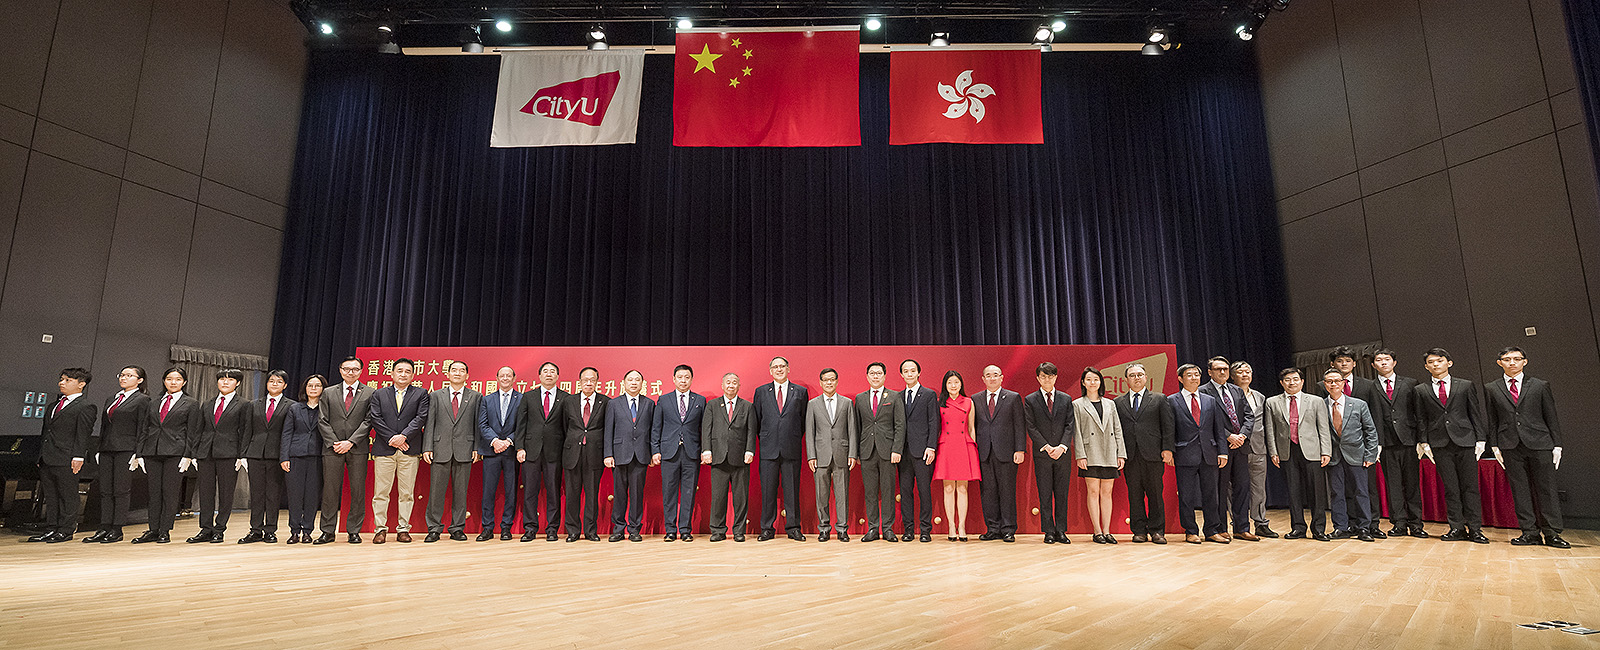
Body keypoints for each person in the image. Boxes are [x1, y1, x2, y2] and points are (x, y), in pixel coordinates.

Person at [1485, 347, 1569, 548]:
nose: (1512, 362)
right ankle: (1529, 532)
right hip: (1509, 444)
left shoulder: (1540, 386)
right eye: (1506, 359)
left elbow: (1551, 417)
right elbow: (1492, 419)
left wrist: (1556, 444)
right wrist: (1495, 445)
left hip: (1540, 443)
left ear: (1525, 361)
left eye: (1516, 359)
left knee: (1546, 488)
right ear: (1499, 363)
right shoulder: (1492, 388)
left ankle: (1552, 532)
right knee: (1520, 490)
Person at [1412, 348, 1489, 544]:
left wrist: (1480, 439)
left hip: (1465, 441)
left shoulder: (1465, 385)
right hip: (1439, 443)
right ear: (1426, 366)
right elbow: (1421, 419)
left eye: (1439, 360)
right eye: (1431, 362)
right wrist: (1423, 441)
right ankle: (1456, 527)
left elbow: (1474, 413)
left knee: (1470, 487)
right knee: (1451, 488)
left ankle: (1475, 528)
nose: (1436, 364)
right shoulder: (1421, 390)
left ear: (1449, 363)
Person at [1354, 348, 1424, 538]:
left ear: (1394, 362)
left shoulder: (1410, 383)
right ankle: (1399, 523)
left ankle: (1416, 523)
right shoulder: (1370, 387)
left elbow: (1419, 413)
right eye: (1379, 360)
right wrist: (1375, 444)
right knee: (1393, 485)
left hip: (1409, 440)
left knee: (1412, 484)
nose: (1383, 362)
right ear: (1373, 365)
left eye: (1387, 359)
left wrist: (1421, 440)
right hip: (1385, 442)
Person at [131, 368, 201, 544]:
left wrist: (188, 455)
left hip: (176, 452)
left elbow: (193, 432)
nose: (173, 382)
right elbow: (144, 429)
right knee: (153, 493)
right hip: (152, 451)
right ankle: (153, 529)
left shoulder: (191, 403)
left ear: (184, 382)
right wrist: (139, 453)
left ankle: (165, 530)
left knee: (169, 493)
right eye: (169, 379)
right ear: (164, 381)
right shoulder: (154, 402)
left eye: (178, 379)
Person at [28, 368, 96, 543]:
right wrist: (40, 456)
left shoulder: (86, 406)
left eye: (67, 380)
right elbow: (46, 432)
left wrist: (79, 456)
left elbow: (83, 434)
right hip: (48, 456)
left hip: (67, 457)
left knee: (67, 495)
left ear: (81, 384)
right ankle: (51, 528)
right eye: (61, 379)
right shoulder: (53, 405)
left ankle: (65, 530)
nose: (61, 383)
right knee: (50, 495)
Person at [1264, 368, 1333, 541]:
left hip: (1312, 451)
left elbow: (1323, 428)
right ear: (1282, 383)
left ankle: (1318, 529)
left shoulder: (1316, 401)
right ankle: (1298, 528)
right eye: (1287, 379)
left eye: (1295, 379)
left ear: (1302, 382)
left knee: (1316, 492)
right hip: (1287, 451)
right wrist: (1273, 452)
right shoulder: (1272, 402)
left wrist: (1326, 451)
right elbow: (1270, 430)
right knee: (1293, 492)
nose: (1292, 382)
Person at [84, 366, 150, 544]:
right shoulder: (112, 398)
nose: (124, 378)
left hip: (126, 449)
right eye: (122, 375)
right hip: (107, 448)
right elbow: (104, 426)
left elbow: (143, 427)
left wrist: (138, 453)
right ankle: (104, 526)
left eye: (129, 375)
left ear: (140, 380)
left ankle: (117, 528)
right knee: (105, 490)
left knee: (121, 490)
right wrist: (98, 448)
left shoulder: (143, 400)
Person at [366, 358, 429, 544]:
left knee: (406, 492)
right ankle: (380, 529)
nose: (403, 374)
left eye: (407, 371)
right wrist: (393, 438)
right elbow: (375, 418)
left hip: (409, 449)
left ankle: (403, 529)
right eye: (399, 370)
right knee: (381, 492)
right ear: (391, 374)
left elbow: (421, 417)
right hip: (384, 449)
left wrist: (404, 437)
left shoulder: (421, 394)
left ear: (413, 375)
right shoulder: (379, 394)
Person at [188, 368, 252, 544]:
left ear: (237, 383)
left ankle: (219, 529)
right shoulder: (208, 403)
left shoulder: (244, 404)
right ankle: (205, 529)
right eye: (222, 379)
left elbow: (245, 431)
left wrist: (242, 455)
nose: (225, 382)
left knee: (225, 494)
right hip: (206, 452)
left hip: (229, 453)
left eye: (230, 379)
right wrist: (195, 453)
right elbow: (199, 430)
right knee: (205, 493)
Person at [1170, 364, 1229, 544]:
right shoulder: (1172, 400)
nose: (1194, 378)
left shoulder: (1210, 400)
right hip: (1184, 454)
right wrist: (1170, 451)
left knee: (1212, 494)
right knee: (1186, 496)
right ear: (1180, 379)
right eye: (1189, 375)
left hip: (1209, 453)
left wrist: (1223, 452)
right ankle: (1190, 530)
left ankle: (1212, 530)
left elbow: (1218, 429)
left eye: (1197, 375)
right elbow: (1169, 430)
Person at [1114, 363, 1173, 544]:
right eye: (1132, 375)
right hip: (1130, 456)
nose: (1137, 378)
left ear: (1146, 377)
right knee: (1134, 494)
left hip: (1154, 454)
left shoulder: (1159, 399)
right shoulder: (1118, 402)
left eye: (1140, 374)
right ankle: (1139, 530)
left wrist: (1167, 449)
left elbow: (1168, 426)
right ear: (1126, 380)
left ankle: (1157, 531)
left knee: (1155, 493)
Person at [751, 356, 809, 542]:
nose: (779, 369)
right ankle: (767, 528)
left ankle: (793, 528)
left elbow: (803, 421)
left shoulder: (800, 392)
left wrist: (790, 437)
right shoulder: (761, 392)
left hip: (791, 448)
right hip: (768, 450)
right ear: (770, 371)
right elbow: (757, 421)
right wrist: (768, 439)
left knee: (792, 490)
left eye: (782, 366)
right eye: (775, 367)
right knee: (768, 491)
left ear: (788, 368)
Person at [423, 360, 482, 542]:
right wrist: (427, 447)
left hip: (465, 448)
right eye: (454, 370)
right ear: (447, 375)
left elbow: (477, 425)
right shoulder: (436, 395)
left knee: (460, 492)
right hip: (440, 449)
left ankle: (457, 528)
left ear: (467, 375)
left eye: (462, 370)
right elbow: (429, 423)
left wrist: (476, 448)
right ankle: (434, 528)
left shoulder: (475, 396)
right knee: (436, 492)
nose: (457, 373)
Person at [318, 356, 373, 545]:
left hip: (357, 448)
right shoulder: (328, 392)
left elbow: (369, 421)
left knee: (357, 491)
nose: (351, 372)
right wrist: (335, 442)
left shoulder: (370, 393)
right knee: (330, 491)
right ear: (340, 370)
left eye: (355, 369)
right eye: (347, 369)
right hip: (332, 449)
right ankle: (327, 531)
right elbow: (322, 420)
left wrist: (350, 441)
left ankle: (354, 531)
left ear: (361, 371)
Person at [1201, 356, 1256, 541]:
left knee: (1242, 487)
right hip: (1219, 448)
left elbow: (1249, 415)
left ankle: (1242, 527)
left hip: (1240, 446)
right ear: (1209, 372)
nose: (1223, 372)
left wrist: (1242, 435)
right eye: (1218, 369)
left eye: (1225, 368)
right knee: (1219, 489)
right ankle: (1219, 528)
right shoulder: (1203, 392)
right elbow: (1205, 422)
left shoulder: (1236, 390)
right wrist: (1228, 436)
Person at [1322, 369, 1378, 542]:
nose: (1333, 384)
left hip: (1357, 455)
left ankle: (1364, 528)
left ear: (1343, 383)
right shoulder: (1320, 405)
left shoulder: (1359, 404)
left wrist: (1370, 454)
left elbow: (1370, 430)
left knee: (1361, 492)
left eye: (1337, 381)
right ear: (1325, 384)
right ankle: (1340, 527)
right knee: (1336, 494)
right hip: (1333, 457)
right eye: (1329, 381)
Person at [515, 362, 567, 542]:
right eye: (545, 371)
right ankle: (530, 528)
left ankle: (552, 528)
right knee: (530, 491)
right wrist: (520, 447)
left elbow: (567, 428)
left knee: (553, 491)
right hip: (531, 451)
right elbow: (521, 424)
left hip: (555, 452)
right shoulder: (528, 396)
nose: (549, 374)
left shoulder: (565, 398)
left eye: (553, 371)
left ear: (558, 376)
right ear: (539, 376)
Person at [974, 364, 1026, 542]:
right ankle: (992, 528)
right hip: (984, 453)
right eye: (988, 375)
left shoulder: (1012, 398)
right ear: (983, 379)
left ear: (1001, 377)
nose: (992, 378)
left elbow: (1020, 425)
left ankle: (1008, 529)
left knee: (1007, 491)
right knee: (988, 492)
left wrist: (1020, 449)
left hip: (1007, 453)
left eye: (995, 375)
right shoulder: (976, 399)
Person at [702, 373, 756, 542]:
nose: (731, 385)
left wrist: (750, 450)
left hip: (740, 458)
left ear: (739, 386)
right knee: (718, 497)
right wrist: (706, 450)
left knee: (741, 497)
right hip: (718, 457)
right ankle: (717, 530)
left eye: (734, 383)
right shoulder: (712, 405)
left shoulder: (747, 406)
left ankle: (739, 531)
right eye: (728, 382)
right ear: (722, 385)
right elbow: (706, 429)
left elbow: (751, 431)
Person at [1074, 367, 1126, 544]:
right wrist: (1080, 455)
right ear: (1083, 382)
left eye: (1095, 379)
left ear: (1101, 382)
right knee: (1093, 491)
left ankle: (1107, 530)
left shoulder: (1110, 404)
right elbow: (1077, 432)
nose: (1092, 382)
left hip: (1109, 451)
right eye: (1088, 379)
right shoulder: (1077, 404)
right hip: (1090, 453)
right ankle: (1097, 531)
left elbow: (1117, 429)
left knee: (1107, 492)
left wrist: (1121, 454)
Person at [240, 370, 293, 544]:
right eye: (271, 381)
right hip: (255, 453)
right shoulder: (254, 405)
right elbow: (247, 430)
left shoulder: (291, 405)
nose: (274, 384)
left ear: (285, 385)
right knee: (256, 494)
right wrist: (243, 454)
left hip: (276, 455)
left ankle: (270, 529)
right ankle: (255, 530)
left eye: (278, 382)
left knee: (273, 494)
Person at [1023, 362, 1074, 544]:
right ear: (1038, 378)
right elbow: (1031, 427)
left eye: (1050, 376)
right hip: (1043, 454)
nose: (1047, 379)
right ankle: (1048, 531)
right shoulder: (1030, 399)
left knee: (1061, 493)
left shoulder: (1066, 399)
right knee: (1045, 494)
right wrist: (1046, 446)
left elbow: (1069, 425)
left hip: (1063, 453)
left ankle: (1061, 530)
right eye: (1043, 376)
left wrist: (1061, 446)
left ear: (1056, 377)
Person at [854, 362, 905, 542]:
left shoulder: (894, 396)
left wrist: (897, 449)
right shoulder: (860, 398)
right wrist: (857, 453)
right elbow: (856, 427)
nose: (875, 376)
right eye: (872, 373)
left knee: (888, 490)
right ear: (867, 376)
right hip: (867, 451)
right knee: (870, 492)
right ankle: (873, 528)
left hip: (888, 451)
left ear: (884, 376)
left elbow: (900, 425)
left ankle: (888, 528)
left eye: (879, 373)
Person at [652, 364, 704, 542]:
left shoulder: (700, 400)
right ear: (674, 379)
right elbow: (656, 428)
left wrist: (704, 451)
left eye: (687, 377)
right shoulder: (664, 400)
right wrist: (655, 450)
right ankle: (670, 530)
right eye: (680, 377)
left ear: (691, 379)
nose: (683, 380)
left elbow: (703, 429)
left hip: (691, 453)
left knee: (689, 493)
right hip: (669, 453)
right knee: (669, 493)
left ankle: (685, 530)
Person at [805, 368, 857, 542]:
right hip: (820, 456)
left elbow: (852, 430)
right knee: (822, 494)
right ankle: (824, 528)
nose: (829, 383)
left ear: (837, 381)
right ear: (820, 382)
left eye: (832, 379)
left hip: (842, 453)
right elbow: (810, 431)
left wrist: (852, 453)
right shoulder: (812, 404)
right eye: (825, 380)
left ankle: (842, 529)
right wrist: (811, 456)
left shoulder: (846, 403)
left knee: (842, 493)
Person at [605, 370, 655, 542]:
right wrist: (608, 454)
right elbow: (608, 431)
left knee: (636, 494)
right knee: (619, 494)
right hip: (619, 455)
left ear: (642, 383)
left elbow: (653, 431)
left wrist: (652, 453)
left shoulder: (649, 404)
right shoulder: (614, 403)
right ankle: (618, 529)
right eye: (630, 380)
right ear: (623, 383)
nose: (634, 383)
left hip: (641, 455)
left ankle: (634, 529)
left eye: (637, 380)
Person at [280, 374, 331, 544]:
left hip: (317, 456)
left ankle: (308, 530)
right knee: (294, 495)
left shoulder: (326, 408)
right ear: (305, 388)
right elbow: (287, 434)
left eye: (317, 385)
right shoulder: (295, 408)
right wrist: (284, 457)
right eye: (310, 385)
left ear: (323, 389)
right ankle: (294, 531)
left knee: (312, 495)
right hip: (295, 455)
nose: (314, 389)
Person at [1228, 361, 1274, 538]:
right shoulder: (1228, 394)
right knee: (1234, 488)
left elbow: (1264, 424)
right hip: (1236, 446)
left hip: (1258, 448)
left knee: (1259, 488)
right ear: (1233, 376)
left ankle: (1260, 522)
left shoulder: (1260, 397)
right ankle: (1237, 522)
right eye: (1241, 372)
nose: (1245, 375)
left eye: (1248, 371)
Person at [562, 367, 608, 542]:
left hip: (594, 454)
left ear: (597, 382)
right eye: (585, 380)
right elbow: (564, 427)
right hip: (572, 453)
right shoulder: (569, 401)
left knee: (592, 494)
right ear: (579, 381)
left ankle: (590, 530)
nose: (589, 383)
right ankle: (573, 531)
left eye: (592, 380)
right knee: (572, 494)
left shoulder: (605, 402)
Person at [932, 370, 980, 541]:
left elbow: (971, 427)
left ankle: (962, 527)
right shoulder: (940, 403)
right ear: (945, 385)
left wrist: (973, 447)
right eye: (950, 382)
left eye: (956, 382)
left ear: (961, 384)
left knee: (962, 488)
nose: (953, 386)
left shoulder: (968, 402)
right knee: (948, 488)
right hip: (946, 445)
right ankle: (951, 526)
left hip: (964, 445)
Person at [477, 366, 521, 541]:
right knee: (488, 491)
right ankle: (487, 528)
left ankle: (506, 528)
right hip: (491, 451)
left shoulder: (522, 399)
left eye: (508, 375)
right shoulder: (487, 400)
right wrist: (495, 441)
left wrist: (508, 441)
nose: (505, 378)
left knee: (511, 491)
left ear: (514, 378)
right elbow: (482, 424)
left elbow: (523, 426)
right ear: (496, 378)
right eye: (501, 375)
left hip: (511, 452)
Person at [897, 359, 939, 543]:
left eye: (912, 370)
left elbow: (934, 422)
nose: (909, 374)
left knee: (924, 491)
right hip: (903, 452)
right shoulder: (897, 396)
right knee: (905, 492)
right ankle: (908, 530)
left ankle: (925, 530)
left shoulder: (929, 394)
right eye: (906, 371)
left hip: (923, 451)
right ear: (901, 374)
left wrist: (931, 447)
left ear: (918, 372)